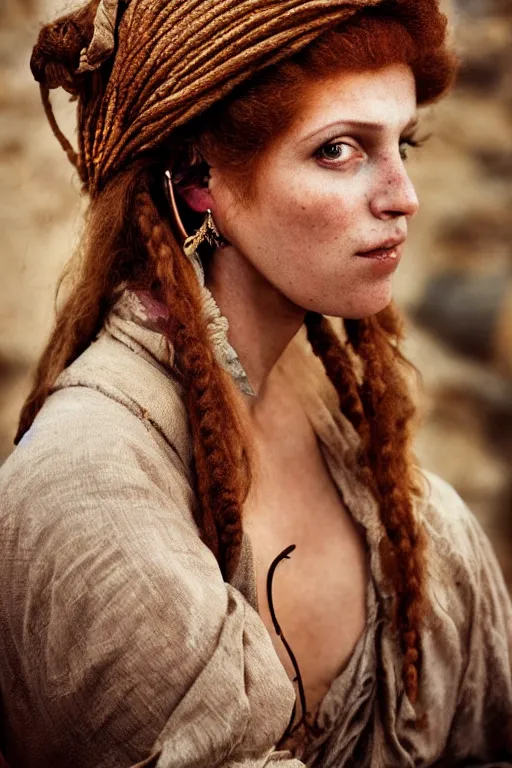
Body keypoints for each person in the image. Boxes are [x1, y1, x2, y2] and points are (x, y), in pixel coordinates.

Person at [0, 0, 511, 766]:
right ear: (202, 180)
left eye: (402, 141)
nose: (402, 196)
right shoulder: (86, 484)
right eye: (339, 150)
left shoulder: (342, 424)